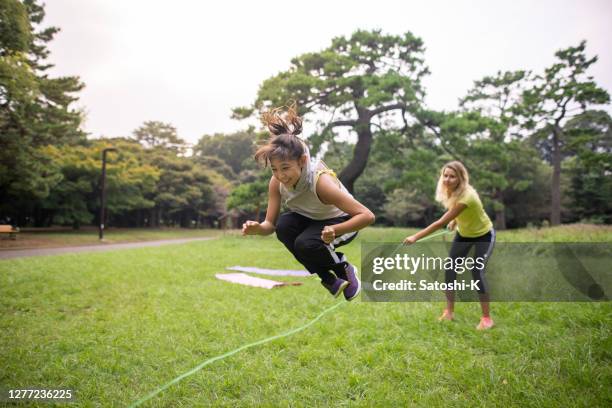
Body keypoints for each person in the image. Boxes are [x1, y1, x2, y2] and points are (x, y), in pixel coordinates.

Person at [242, 104, 375, 301]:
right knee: (284, 226)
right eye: (274, 169)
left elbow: (367, 216)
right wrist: (258, 228)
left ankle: (343, 268)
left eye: (285, 167)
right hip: (313, 221)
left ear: (303, 161)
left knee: (305, 243)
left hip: (343, 221)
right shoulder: (276, 183)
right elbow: (270, 225)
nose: (280, 175)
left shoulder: (321, 182)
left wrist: (335, 231)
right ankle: (328, 279)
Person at [403, 161, 496, 330]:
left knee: (476, 271)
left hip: (484, 235)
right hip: (464, 235)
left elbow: (440, 222)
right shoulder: (452, 192)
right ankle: (449, 312)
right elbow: (456, 213)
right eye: (445, 175)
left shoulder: (467, 196)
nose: (447, 179)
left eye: (452, 176)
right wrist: (455, 221)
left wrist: (415, 237)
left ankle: (487, 318)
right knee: (450, 270)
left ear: (460, 178)